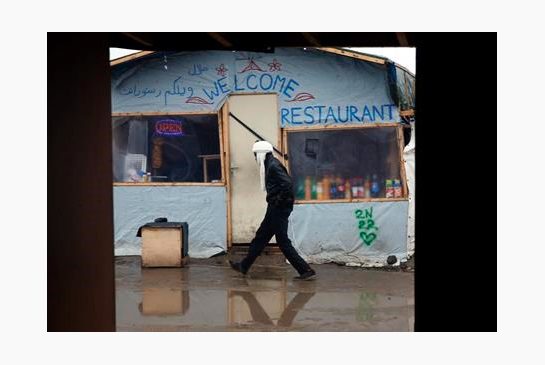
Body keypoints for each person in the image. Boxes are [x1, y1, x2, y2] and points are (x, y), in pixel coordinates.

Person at [229, 141, 316, 280]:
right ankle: (244, 266)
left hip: (278, 208)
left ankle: (305, 269)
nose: (254, 157)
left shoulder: (273, 166)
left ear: (260, 153)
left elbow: (287, 185)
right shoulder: (270, 164)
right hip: (276, 207)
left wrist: (278, 201)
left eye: (255, 154)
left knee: (282, 241)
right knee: (262, 236)